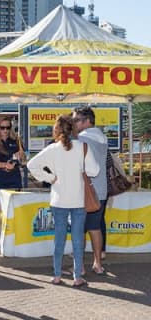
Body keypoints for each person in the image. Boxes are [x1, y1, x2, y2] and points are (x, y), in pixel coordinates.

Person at [27, 114, 99, 287]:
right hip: (78, 200)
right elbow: (94, 171)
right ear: (73, 128)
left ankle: (57, 275)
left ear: (57, 129)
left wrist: (50, 177)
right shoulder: (83, 147)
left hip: (58, 200)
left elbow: (31, 165)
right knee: (77, 240)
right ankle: (77, 277)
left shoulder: (53, 148)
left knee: (58, 239)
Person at [72, 106, 108, 274]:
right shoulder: (102, 137)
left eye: (76, 120)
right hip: (100, 190)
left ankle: (79, 267)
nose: (74, 123)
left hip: (85, 190)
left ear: (87, 121)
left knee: (79, 229)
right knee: (95, 228)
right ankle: (98, 264)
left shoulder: (82, 139)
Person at [0, 116, 25, 249]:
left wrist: (19, 159)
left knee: (13, 206)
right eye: (2, 127)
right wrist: (5, 164)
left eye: (8, 127)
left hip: (14, 176)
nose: (5, 130)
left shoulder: (17, 141)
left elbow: (22, 159)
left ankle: (14, 236)